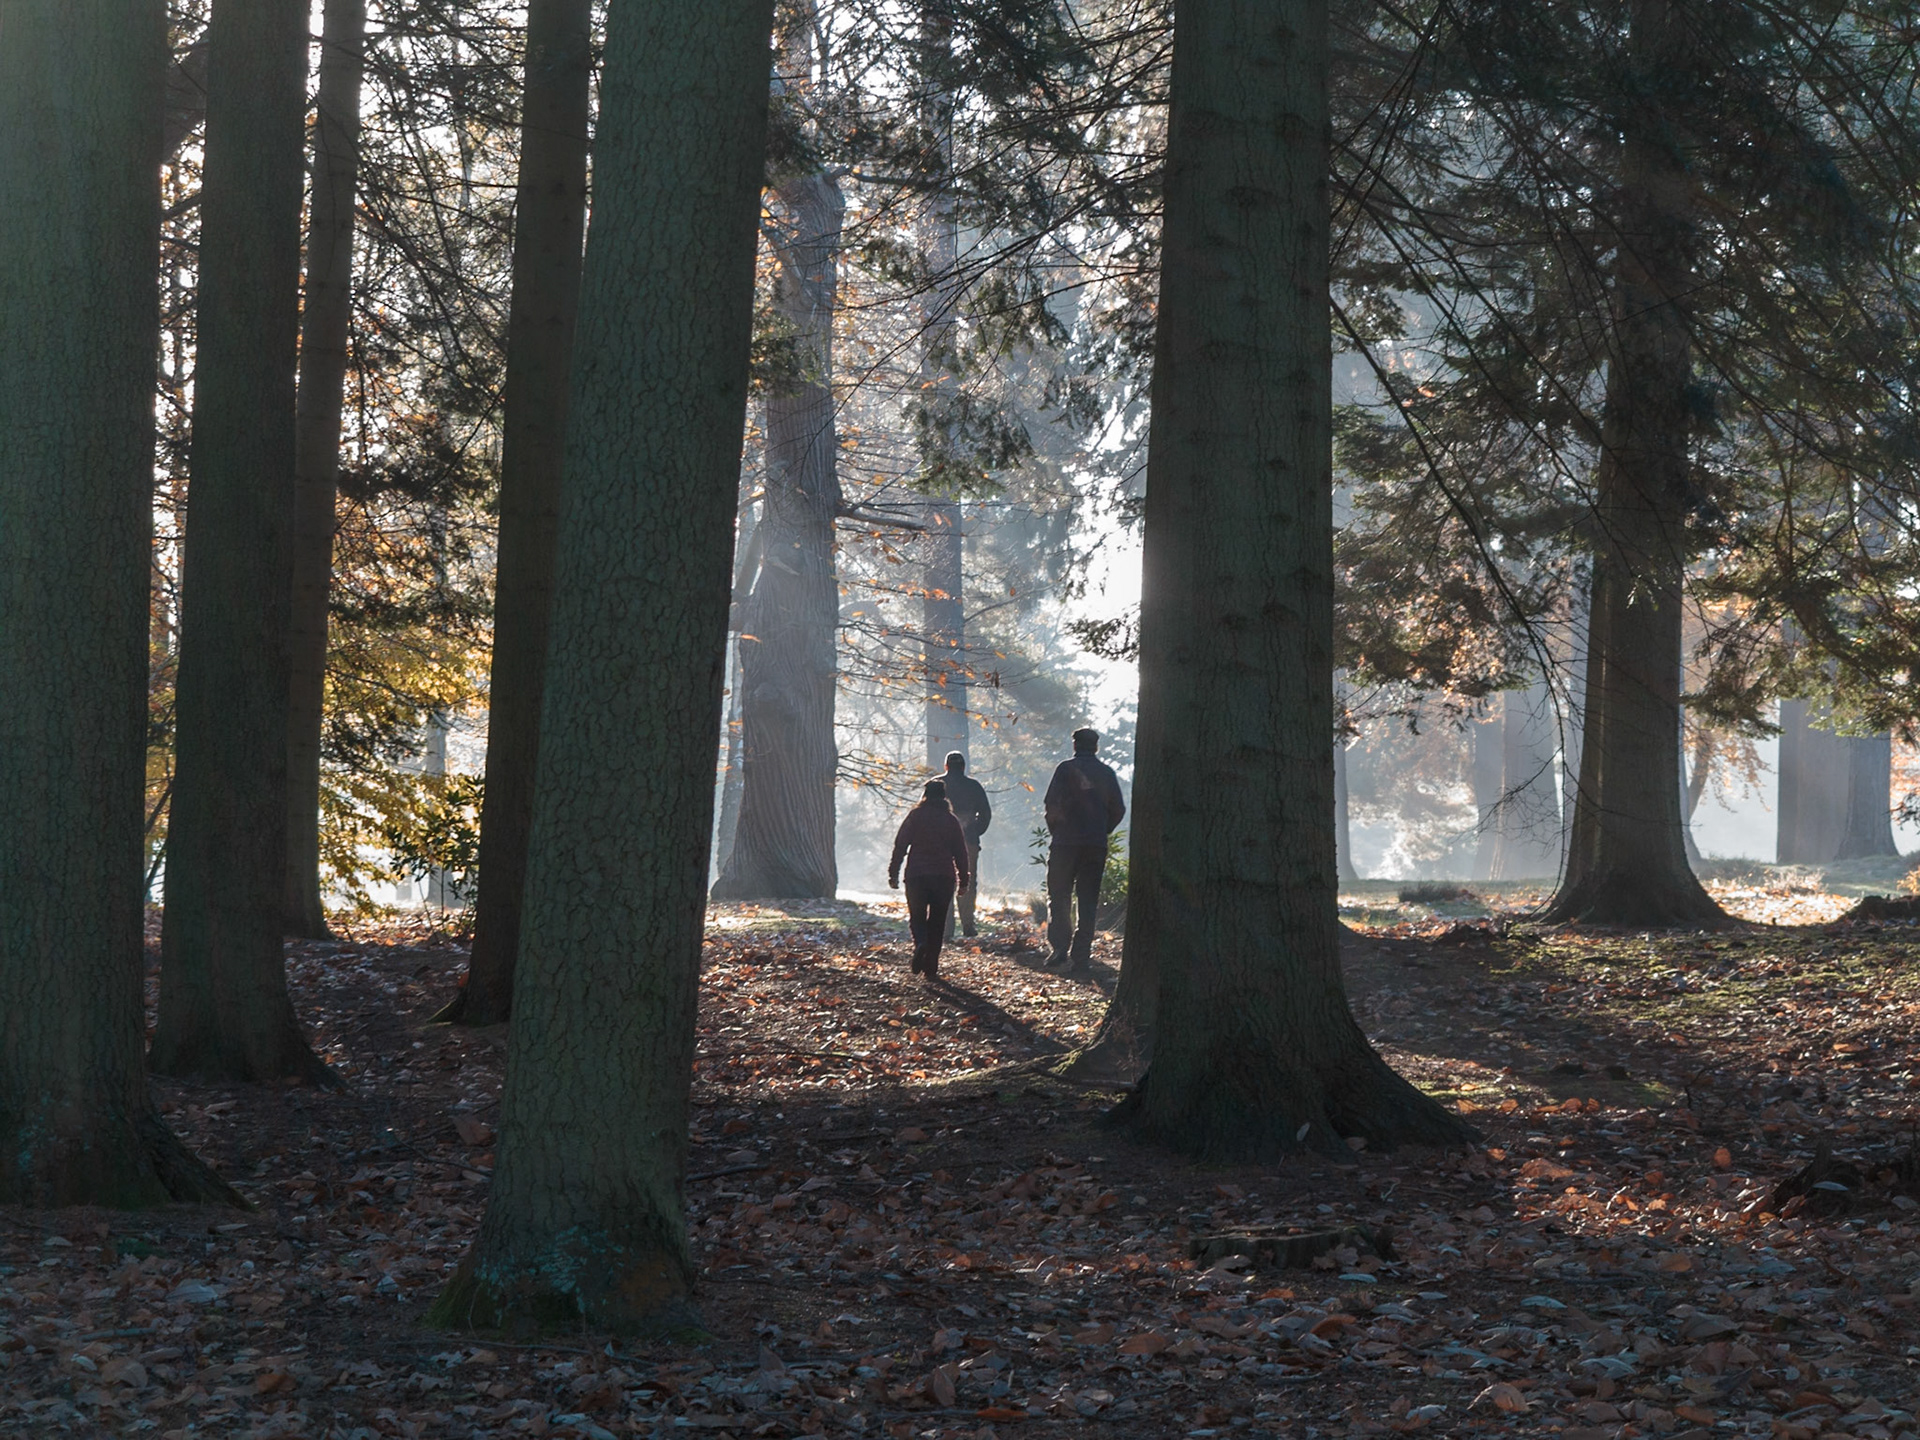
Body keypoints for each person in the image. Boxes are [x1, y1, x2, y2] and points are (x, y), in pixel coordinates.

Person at [1043, 727, 1125, 973]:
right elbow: (1118, 809)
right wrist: (1102, 829)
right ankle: (1081, 955)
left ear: (1075, 745)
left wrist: (1056, 830)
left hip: (1065, 844)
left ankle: (1059, 948)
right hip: (1094, 845)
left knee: (1059, 896)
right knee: (1088, 900)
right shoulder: (1107, 773)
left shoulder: (1065, 769)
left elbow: (1051, 805)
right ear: (1096, 746)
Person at [887, 779, 972, 979]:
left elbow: (900, 845)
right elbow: (961, 852)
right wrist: (964, 880)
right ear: (944, 797)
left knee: (917, 917)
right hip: (943, 877)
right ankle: (931, 967)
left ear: (924, 795)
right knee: (937, 921)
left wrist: (893, 872)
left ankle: (921, 943)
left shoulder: (915, 816)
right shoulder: (951, 820)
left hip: (917, 875)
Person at [940, 751, 993, 940]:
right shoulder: (974, 786)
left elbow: (926, 811)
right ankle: (968, 925)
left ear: (946, 766)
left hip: (941, 845)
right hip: (968, 842)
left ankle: (945, 930)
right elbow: (985, 814)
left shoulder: (936, 785)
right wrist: (975, 831)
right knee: (967, 882)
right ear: (963, 767)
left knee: (944, 882)